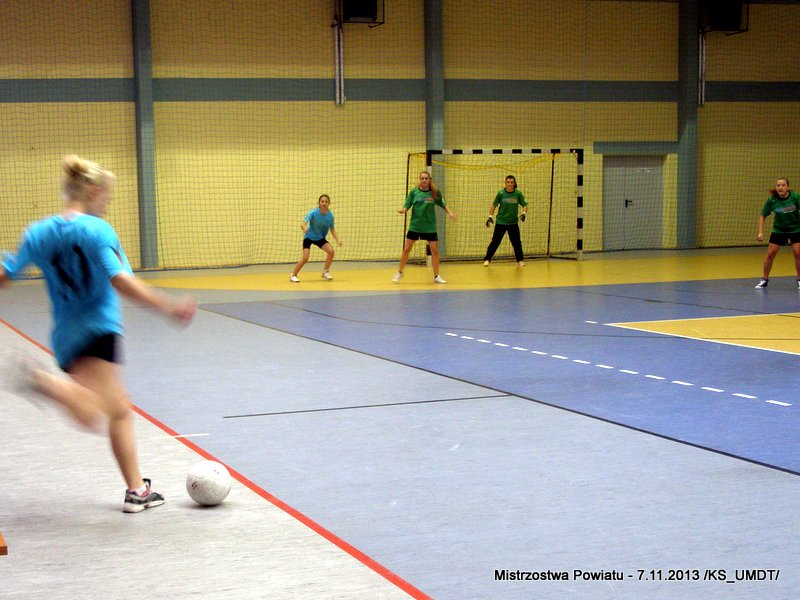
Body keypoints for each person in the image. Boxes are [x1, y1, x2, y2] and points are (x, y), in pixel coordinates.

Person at [0, 155, 197, 513]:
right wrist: (167, 306)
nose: (107, 204)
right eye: (107, 197)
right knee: (97, 410)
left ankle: (137, 491)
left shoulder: (39, 232)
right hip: (99, 329)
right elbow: (120, 279)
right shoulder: (97, 230)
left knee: (116, 409)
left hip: (65, 336)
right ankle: (40, 380)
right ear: (93, 192)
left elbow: (6, 273)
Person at [393, 171, 456, 284]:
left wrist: (450, 212)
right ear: (419, 180)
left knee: (435, 251)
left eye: (426, 178)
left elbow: (443, 204)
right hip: (415, 226)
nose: (424, 180)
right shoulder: (414, 192)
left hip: (429, 227)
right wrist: (403, 210)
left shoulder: (435, 192)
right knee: (406, 249)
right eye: (422, 178)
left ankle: (436, 276)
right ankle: (400, 272)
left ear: (429, 180)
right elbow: (407, 206)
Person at [755, 177, 800, 289]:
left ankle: (799, 279)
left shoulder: (795, 197)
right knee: (770, 254)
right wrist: (760, 232)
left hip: (795, 229)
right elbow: (763, 216)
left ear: (787, 187)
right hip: (779, 229)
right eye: (778, 185)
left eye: (783, 185)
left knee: (798, 253)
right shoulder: (772, 200)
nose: (780, 187)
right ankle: (764, 280)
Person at [290, 194, 341, 282]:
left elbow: (332, 229)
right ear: (319, 203)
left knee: (331, 251)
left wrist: (337, 239)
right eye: (322, 201)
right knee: (305, 258)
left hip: (320, 238)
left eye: (326, 202)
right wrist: (304, 228)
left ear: (329, 203)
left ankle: (325, 272)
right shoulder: (313, 213)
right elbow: (303, 224)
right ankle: (293, 275)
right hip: (309, 237)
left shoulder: (330, 216)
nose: (324, 203)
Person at [483, 174, 528, 267]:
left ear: (514, 183)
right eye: (508, 182)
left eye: (511, 182)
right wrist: (490, 216)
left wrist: (524, 213)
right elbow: (494, 205)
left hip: (513, 223)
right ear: (505, 183)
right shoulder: (501, 193)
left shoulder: (518, 194)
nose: (510, 184)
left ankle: (520, 260)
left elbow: (525, 205)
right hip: (501, 222)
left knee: (517, 242)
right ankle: (487, 259)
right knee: (495, 242)